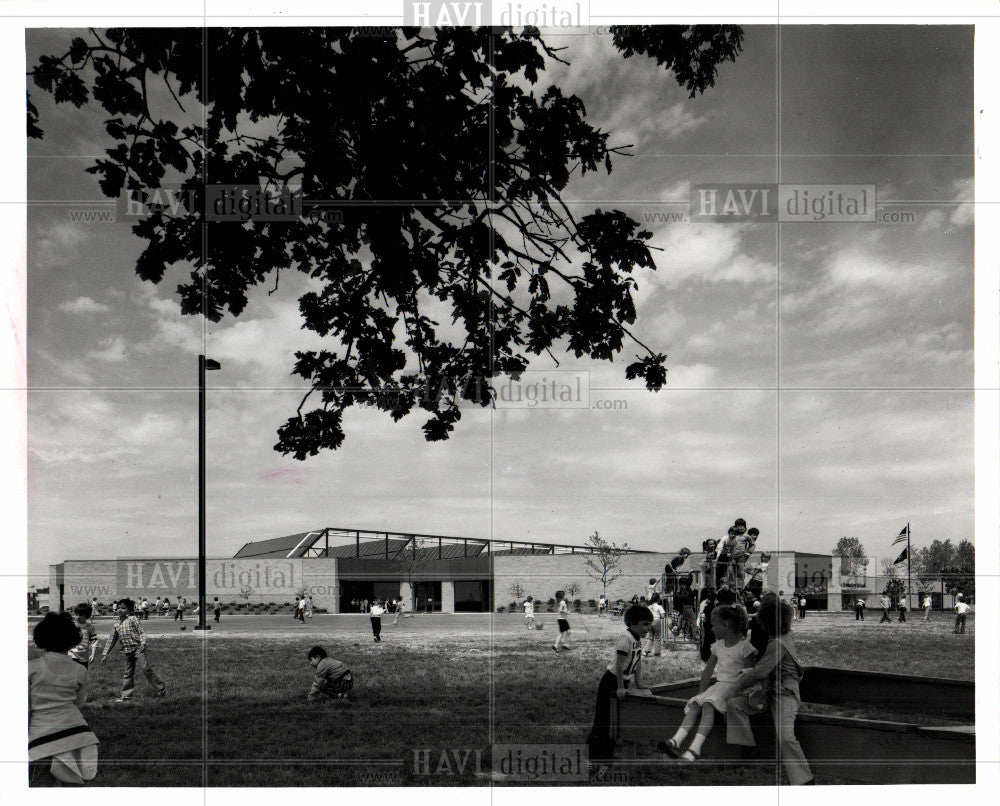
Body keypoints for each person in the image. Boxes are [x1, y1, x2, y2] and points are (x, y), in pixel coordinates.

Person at [725, 597, 814, 785]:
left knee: (786, 737)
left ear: (770, 623)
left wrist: (735, 686)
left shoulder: (778, 643)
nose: (762, 627)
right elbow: (766, 668)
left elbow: (760, 672)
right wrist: (749, 673)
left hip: (785, 694)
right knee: (735, 706)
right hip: (769, 691)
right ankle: (750, 748)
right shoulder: (782, 638)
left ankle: (804, 781)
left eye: (764, 623)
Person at [659, 605, 755, 761]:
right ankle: (675, 740)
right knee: (696, 704)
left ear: (725, 625)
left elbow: (752, 673)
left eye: (713, 625)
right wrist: (701, 693)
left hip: (734, 688)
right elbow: (708, 671)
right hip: (719, 687)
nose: (711, 629)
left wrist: (740, 694)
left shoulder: (744, 647)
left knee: (709, 705)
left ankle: (694, 749)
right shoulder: (718, 646)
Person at [29, 612, 100, 786]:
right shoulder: (79, 670)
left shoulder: (32, 668)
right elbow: (79, 703)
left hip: (42, 735)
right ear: (73, 640)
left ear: (41, 638)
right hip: (78, 733)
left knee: (39, 785)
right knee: (73, 785)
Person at [585, 605, 653, 763]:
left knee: (616, 723)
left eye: (649, 624)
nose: (648, 628)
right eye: (644, 624)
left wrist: (639, 683)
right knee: (603, 722)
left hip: (623, 682)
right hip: (611, 682)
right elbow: (619, 666)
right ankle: (589, 758)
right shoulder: (626, 638)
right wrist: (621, 687)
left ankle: (606, 756)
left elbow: (637, 662)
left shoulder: (637, 639)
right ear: (631, 623)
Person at [100, 598, 167, 701]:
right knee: (128, 673)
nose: (120, 610)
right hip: (127, 651)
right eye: (118, 608)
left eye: (123, 608)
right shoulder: (116, 625)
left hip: (138, 648)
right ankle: (126, 695)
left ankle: (161, 687)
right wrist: (105, 653)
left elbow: (141, 631)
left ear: (129, 610)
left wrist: (143, 642)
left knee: (145, 668)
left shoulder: (132, 619)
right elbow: (111, 640)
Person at [67, 603, 99, 669]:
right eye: (76, 614)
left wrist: (92, 654)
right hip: (72, 654)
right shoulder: (71, 626)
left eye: (81, 615)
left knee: (82, 675)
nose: (78, 617)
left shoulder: (90, 627)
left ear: (86, 616)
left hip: (84, 656)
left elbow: (94, 641)